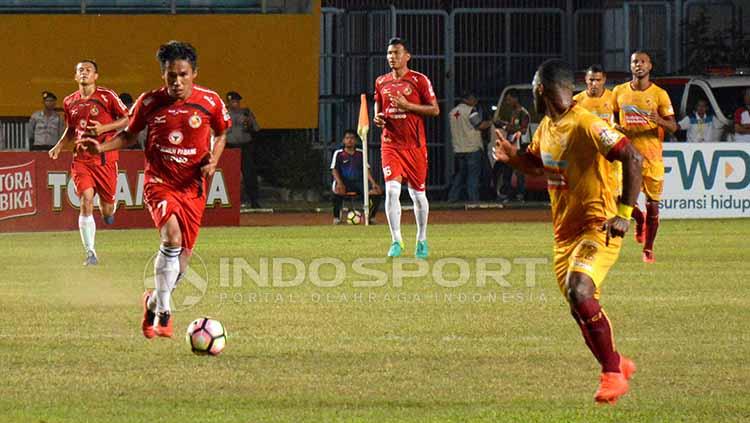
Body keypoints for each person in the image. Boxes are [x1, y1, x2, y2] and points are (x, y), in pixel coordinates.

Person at [494, 59, 642, 405]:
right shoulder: (548, 127)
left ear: (540, 89)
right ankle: (617, 362)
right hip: (564, 236)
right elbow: (536, 164)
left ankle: (612, 374)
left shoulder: (585, 122)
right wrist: (514, 157)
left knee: (580, 290)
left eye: (532, 88)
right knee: (581, 306)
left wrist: (623, 213)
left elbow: (632, 157)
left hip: (598, 225)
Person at [77, 41, 231, 339]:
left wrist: (214, 159)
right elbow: (129, 135)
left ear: (194, 73)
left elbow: (222, 132)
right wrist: (102, 146)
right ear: (163, 74)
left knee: (182, 263)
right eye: (171, 75)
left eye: (183, 74)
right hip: (159, 183)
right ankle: (164, 312)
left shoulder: (210, 102)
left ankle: (151, 301)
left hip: (193, 188)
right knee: (170, 237)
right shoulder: (149, 102)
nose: (177, 81)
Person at [48, 61, 130, 266]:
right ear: (75, 77)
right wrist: (59, 145)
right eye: (80, 70)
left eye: (88, 70)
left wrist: (104, 129)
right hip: (81, 159)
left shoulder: (107, 96)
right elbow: (71, 128)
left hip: (105, 160)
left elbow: (127, 119)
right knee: (86, 200)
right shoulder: (69, 101)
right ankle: (90, 252)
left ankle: (108, 213)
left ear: (96, 76)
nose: (84, 73)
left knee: (107, 211)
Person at [373, 37, 439, 259]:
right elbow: (378, 104)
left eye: (397, 53)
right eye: (390, 53)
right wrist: (377, 117)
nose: (392, 57)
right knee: (391, 190)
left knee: (418, 195)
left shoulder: (419, 80)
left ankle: (421, 240)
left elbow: (435, 110)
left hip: (415, 146)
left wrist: (408, 106)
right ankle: (396, 241)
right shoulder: (381, 81)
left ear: (407, 56)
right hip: (390, 144)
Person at [612, 51, 677, 263]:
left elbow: (673, 127)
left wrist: (658, 119)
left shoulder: (660, 94)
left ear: (650, 66)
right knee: (618, 201)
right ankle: (638, 220)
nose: (638, 65)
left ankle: (648, 249)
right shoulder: (619, 92)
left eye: (642, 62)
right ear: (630, 66)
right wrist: (616, 128)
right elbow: (614, 120)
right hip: (627, 157)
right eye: (634, 62)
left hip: (652, 158)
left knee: (653, 205)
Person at [573, 64, 621, 195]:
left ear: (604, 80)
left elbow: (621, 123)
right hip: (586, 154)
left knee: (614, 194)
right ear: (586, 79)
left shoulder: (614, 99)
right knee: (588, 193)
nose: (594, 84)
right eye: (591, 80)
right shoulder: (576, 101)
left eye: (598, 80)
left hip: (610, 154)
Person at [330, 129, 383, 224]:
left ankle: (371, 217)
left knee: (377, 192)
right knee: (337, 191)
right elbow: (334, 170)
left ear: (356, 141)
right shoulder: (338, 153)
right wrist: (339, 183)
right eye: (347, 138)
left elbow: (366, 169)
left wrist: (373, 183)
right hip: (344, 182)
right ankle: (337, 217)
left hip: (359, 183)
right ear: (343, 140)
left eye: (352, 138)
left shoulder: (361, 153)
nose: (349, 140)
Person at [448, 91, 490, 204]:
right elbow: (480, 125)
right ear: (468, 99)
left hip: (458, 149)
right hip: (472, 148)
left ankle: (452, 197)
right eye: (474, 99)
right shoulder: (471, 111)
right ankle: (473, 200)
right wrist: (491, 122)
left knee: (460, 175)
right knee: (473, 176)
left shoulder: (452, 112)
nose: (475, 101)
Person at [225, 91, 262, 207]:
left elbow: (256, 128)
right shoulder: (223, 113)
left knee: (249, 173)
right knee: (229, 174)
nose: (234, 104)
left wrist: (249, 122)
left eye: (236, 101)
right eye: (232, 101)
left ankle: (254, 200)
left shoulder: (245, 112)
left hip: (245, 146)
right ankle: (231, 201)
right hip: (229, 147)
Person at [494, 89, 530, 201]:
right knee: (507, 171)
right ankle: (508, 195)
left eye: (509, 99)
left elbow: (523, 130)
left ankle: (520, 195)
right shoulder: (512, 112)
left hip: (520, 146)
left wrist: (506, 127)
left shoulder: (523, 113)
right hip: (510, 145)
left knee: (519, 172)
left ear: (516, 99)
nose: (507, 102)